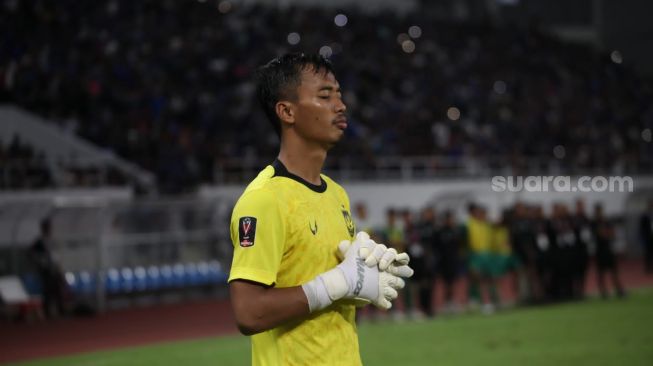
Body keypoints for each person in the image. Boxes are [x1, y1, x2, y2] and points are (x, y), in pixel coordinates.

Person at [227, 53, 413, 366]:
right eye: (325, 96)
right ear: (287, 111)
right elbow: (249, 312)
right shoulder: (264, 199)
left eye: (339, 95)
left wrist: (360, 282)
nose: (340, 106)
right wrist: (335, 283)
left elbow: (325, 288)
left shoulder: (336, 194)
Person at [29, 218, 67, 318]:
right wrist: (40, 262)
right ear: (43, 229)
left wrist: (60, 269)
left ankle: (61, 310)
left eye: (49, 227)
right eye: (46, 227)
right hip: (46, 270)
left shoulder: (52, 240)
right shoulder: (39, 242)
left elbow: (57, 256)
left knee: (58, 290)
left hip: (55, 268)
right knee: (47, 291)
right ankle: (47, 312)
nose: (49, 229)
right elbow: (31, 253)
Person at [639, 200, 653, 274]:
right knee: (648, 253)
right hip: (648, 238)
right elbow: (642, 228)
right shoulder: (645, 216)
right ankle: (648, 268)